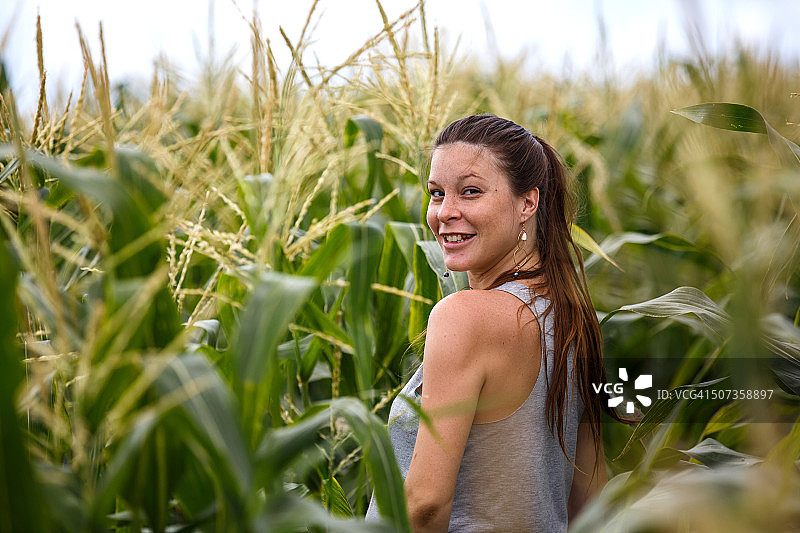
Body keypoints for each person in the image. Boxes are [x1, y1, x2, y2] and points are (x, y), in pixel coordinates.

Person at [366, 114, 613, 532]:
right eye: (436, 193)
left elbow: (424, 506)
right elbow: (593, 496)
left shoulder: (463, 318)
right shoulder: (572, 318)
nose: (445, 212)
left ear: (527, 203)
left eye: (471, 192)